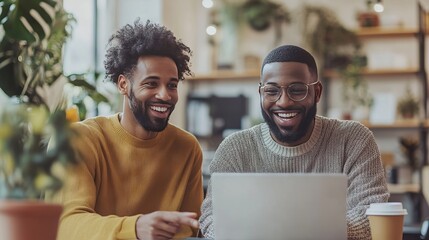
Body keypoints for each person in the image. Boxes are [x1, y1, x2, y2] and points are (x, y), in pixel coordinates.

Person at [199, 45, 389, 240]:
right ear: (261, 93)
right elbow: (211, 219)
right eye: (272, 91)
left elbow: (371, 215)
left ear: (317, 92)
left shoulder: (354, 139)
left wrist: (292, 229)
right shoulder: (235, 148)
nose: (283, 102)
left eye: (297, 90)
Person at [46, 19, 203, 240]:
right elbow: (65, 225)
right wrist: (136, 228)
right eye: (151, 83)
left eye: (172, 85)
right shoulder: (77, 140)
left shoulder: (187, 148)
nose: (165, 95)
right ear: (123, 84)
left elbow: (188, 229)